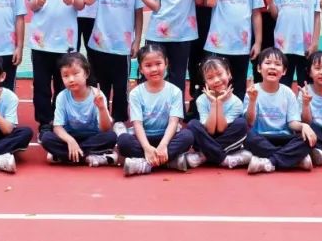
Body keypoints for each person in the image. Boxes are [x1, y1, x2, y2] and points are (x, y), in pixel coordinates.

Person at [28, 0, 86, 133]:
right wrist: (37, 2)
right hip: (41, 41)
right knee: (41, 85)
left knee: (65, 84)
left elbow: (82, 4)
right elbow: (31, 4)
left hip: (66, 42)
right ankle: (45, 122)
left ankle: (61, 120)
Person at [83, 0, 144, 136]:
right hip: (98, 45)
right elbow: (88, 0)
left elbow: (138, 15)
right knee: (99, 85)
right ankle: (101, 117)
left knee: (120, 85)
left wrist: (137, 40)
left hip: (122, 47)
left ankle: (118, 119)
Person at [117, 43, 195, 176]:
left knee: (187, 136)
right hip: (144, 138)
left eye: (158, 64)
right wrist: (147, 148)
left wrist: (163, 145)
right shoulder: (135, 93)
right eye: (148, 65)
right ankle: (169, 162)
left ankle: (145, 164)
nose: (154, 69)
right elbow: (137, 124)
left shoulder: (175, 91)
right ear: (141, 69)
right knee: (124, 141)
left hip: (167, 138)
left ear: (166, 63)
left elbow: (173, 122)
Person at [203, 0, 263, 98]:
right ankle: (214, 113)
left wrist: (257, 42)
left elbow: (256, 14)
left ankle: (237, 114)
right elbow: (210, 2)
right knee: (215, 86)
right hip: (216, 45)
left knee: (238, 87)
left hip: (241, 46)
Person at [39, 52, 118, 166]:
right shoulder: (62, 96)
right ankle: (92, 156)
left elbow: (105, 129)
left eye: (76, 74)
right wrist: (70, 141)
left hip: (93, 137)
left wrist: (101, 108)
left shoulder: (97, 94)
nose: (71, 79)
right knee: (46, 138)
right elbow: (57, 127)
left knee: (111, 137)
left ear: (86, 73)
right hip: (69, 137)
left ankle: (66, 156)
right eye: (66, 76)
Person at [243, 47, 314, 174]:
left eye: (277, 64)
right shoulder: (252, 91)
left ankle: (268, 162)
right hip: (260, 138)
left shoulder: (288, 92)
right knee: (246, 137)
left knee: (308, 137)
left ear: (284, 71)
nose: (272, 67)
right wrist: (252, 101)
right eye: (268, 63)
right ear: (259, 68)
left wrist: (304, 126)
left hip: (284, 138)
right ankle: (294, 160)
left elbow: (292, 123)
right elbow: (250, 122)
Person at [264, 0, 321, 88]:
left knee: (306, 84)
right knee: (283, 83)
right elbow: (275, 16)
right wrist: (270, 2)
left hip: (305, 46)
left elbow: (316, 17)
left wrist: (314, 43)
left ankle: (304, 104)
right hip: (283, 45)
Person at [184, 57, 251, 169]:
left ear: (229, 74)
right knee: (193, 124)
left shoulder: (236, 102)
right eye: (210, 78)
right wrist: (214, 104)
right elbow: (210, 130)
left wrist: (219, 102)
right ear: (205, 82)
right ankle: (224, 159)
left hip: (227, 137)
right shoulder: (201, 100)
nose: (216, 80)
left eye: (220, 74)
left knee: (241, 124)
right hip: (207, 135)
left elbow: (221, 129)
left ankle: (203, 156)